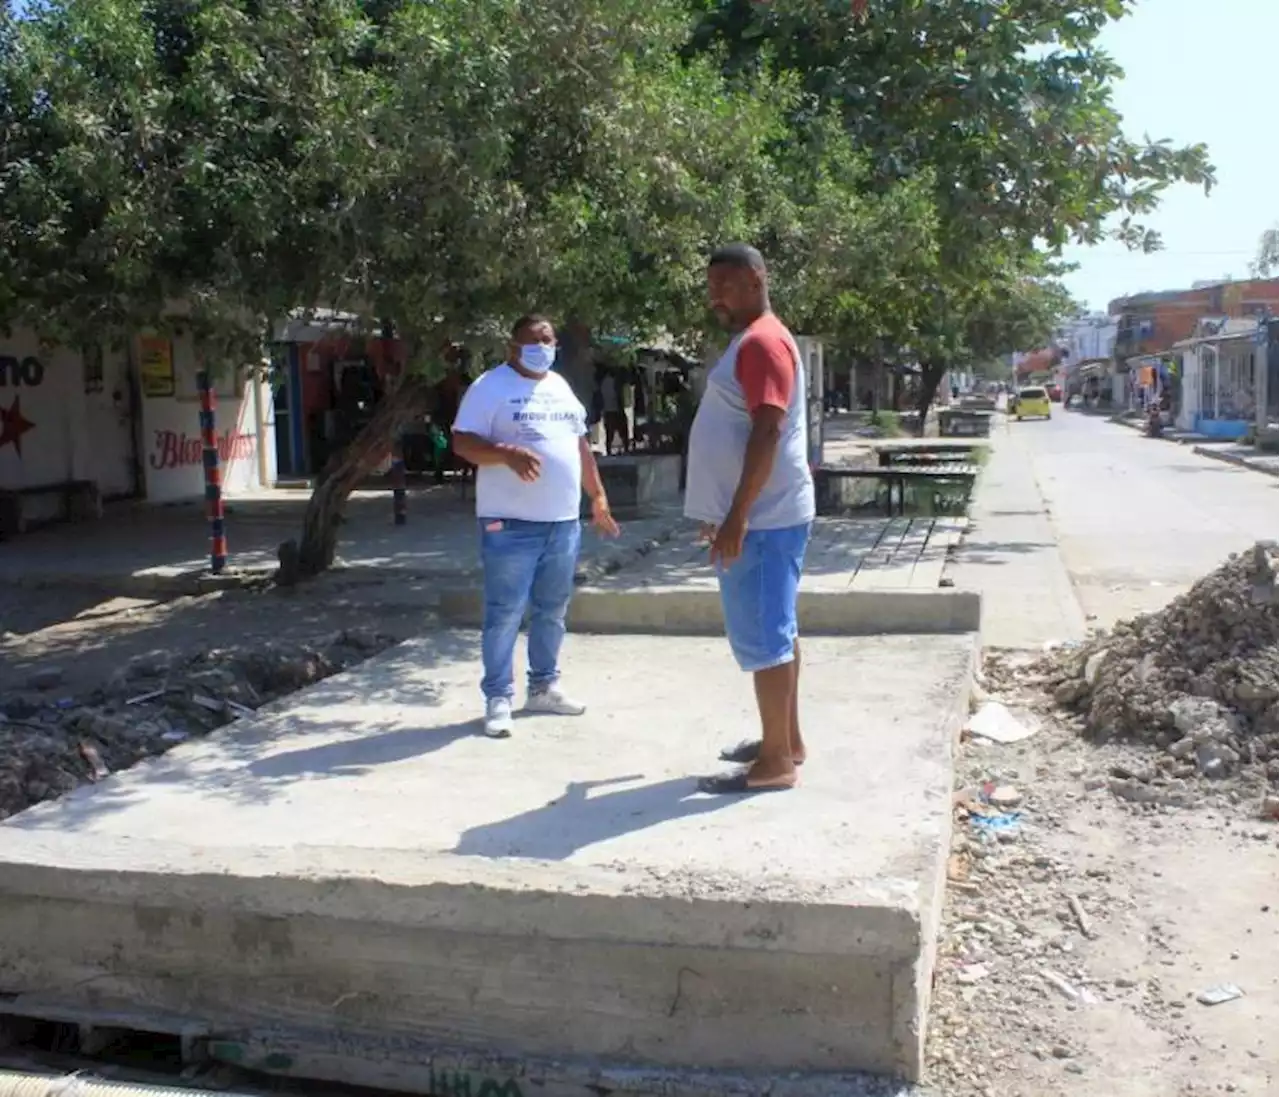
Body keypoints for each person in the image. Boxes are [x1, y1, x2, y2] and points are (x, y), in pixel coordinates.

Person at [684, 244, 815, 795]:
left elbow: (767, 431)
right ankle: (784, 741)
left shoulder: (762, 341)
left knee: (765, 637)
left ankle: (775, 763)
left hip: (762, 519)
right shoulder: (755, 338)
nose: (717, 295)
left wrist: (736, 516)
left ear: (758, 278)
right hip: (764, 515)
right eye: (711, 286)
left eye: (728, 285)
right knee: (777, 629)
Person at [452, 315, 620, 738]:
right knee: (505, 612)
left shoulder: (559, 387)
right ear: (513, 346)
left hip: (562, 522)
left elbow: (580, 445)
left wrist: (596, 496)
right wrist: (505, 454)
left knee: (552, 609)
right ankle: (498, 697)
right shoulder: (488, 387)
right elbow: (462, 442)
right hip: (509, 524)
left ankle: (543, 686)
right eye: (534, 340)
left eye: (549, 340)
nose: (543, 346)